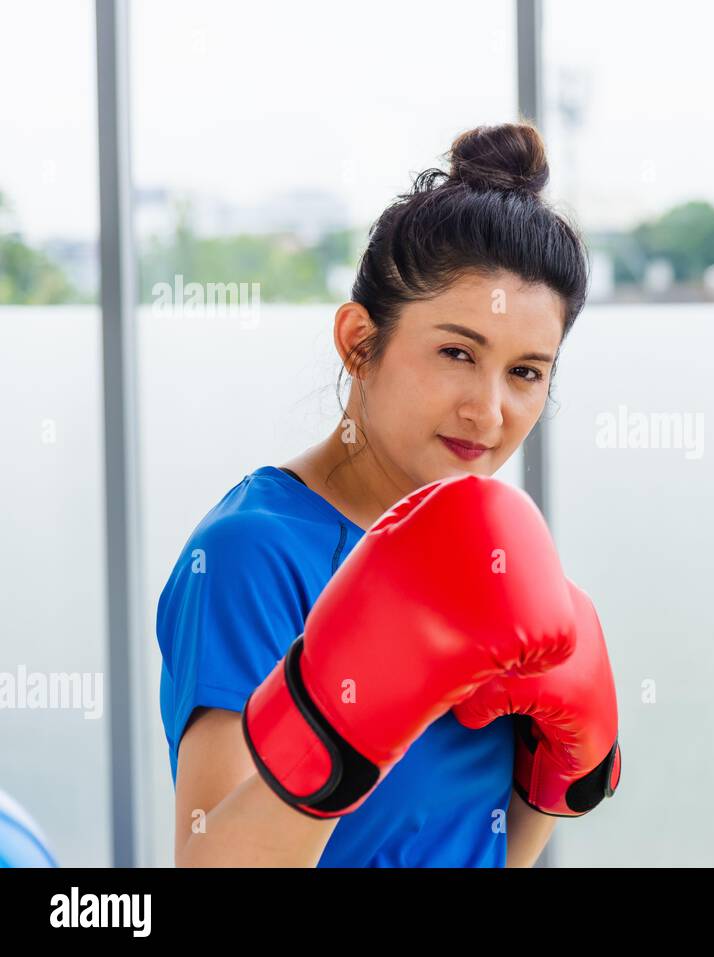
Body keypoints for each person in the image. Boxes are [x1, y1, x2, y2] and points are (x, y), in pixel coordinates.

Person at [157, 123, 618, 868]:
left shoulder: (493, 553)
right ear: (358, 342)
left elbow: (494, 851)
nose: (489, 410)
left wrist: (555, 780)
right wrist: (342, 721)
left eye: (527, 371)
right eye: (456, 353)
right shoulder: (252, 553)